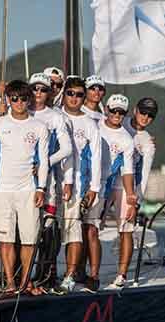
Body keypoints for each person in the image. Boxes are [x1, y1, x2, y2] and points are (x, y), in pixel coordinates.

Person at [0, 80, 49, 295]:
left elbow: (44, 160)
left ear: (29, 100)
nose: (19, 102)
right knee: (5, 241)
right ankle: (10, 284)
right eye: (14, 98)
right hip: (3, 191)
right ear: (8, 100)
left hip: (28, 191)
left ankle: (24, 282)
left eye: (23, 98)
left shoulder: (39, 127)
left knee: (29, 240)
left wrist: (41, 188)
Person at [28, 72, 74, 287]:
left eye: (43, 89)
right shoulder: (18, 110)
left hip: (48, 182)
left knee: (48, 228)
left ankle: (47, 273)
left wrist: (43, 163)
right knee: (25, 229)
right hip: (21, 181)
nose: (38, 93)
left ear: (50, 93)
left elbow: (66, 149)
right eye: (35, 88)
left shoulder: (56, 117)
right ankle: (25, 275)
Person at [58, 76, 102, 293]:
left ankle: (69, 276)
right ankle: (44, 275)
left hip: (77, 187)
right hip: (50, 186)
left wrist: (94, 188)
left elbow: (96, 157)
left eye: (79, 95)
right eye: (70, 93)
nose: (74, 98)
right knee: (49, 234)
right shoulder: (55, 117)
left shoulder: (90, 124)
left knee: (74, 232)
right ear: (63, 94)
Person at [99, 94, 136, 288]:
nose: (117, 114)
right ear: (106, 109)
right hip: (98, 184)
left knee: (126, 229)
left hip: (119, 184)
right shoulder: (96, 126)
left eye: (121, 112)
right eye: (114, 110)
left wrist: (131, 198)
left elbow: (128, 170)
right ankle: (86, 272)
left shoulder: (126, 138)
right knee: (91, 228)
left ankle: (122, 275)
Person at [123, 97, 158, 200]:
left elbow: (144, 173)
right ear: (135, 110)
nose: (145, 117)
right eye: (143, 112)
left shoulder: (149, 142)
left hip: (127, 189)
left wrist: (138, 199)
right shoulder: (120, 121)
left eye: (150, 115)